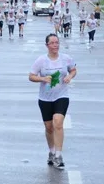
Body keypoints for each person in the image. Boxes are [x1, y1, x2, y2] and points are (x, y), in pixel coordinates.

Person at [28, 35, 77, 169]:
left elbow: (73, 70)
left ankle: (58, 155)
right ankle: (51, 151)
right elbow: (31, 76)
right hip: (45, 98)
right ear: (47, 45)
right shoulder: (41, 61)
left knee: (58, 123)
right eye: (52, 43)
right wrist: (42, 79)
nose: (55, 45)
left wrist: (69, 76)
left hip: (61, 96)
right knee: (49, 128)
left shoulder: (66, 58)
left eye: (57, 42)